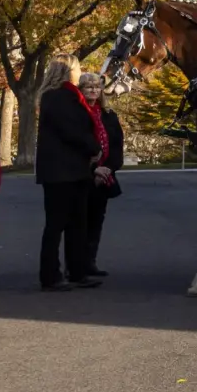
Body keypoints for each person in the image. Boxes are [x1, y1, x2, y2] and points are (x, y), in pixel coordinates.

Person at [34, 57, 103, 291]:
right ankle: (50, 275)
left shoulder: (70, 95)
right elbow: (70, 129)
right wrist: (93, 147)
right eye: (77, 68)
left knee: (77, 223)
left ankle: (77, 271)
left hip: (75, 169)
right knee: (56, 224)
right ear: (68, 71)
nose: (80, 71)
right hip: (60, 171)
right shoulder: (57, 96)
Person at [80, 71, 123, 278]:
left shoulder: (109, 115)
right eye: (89, 87)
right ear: (81, 90)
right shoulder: (77, 113)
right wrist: (92, 170)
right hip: (81, 175)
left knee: (97, 220)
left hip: (105, 176)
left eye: (97, 87)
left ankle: (90, 262)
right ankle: (77, 264)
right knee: (79, 221)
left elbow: (117, 146)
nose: (93, 90)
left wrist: (107, 169)